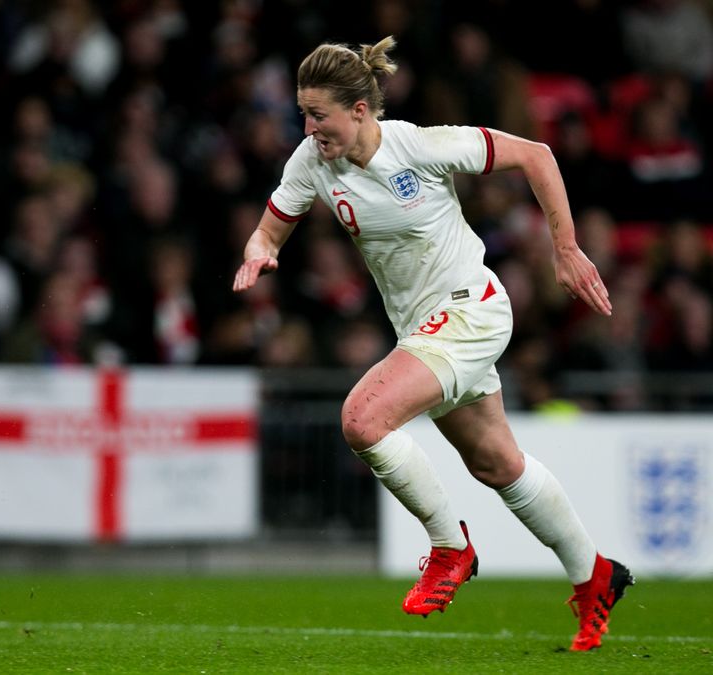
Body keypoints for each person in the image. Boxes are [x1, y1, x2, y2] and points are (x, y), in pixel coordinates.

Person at [232, 37, 633, 651]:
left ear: (361, 110)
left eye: (319, 115)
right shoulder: (311, 161)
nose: (309, 128)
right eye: (304, 114)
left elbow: (537, 154)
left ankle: (450, 547)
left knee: (362, 420)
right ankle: (595, 575)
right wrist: (259, 253)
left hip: (470, 310)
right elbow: (268, 231)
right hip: (423, 331)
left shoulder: (417, 145)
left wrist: (564, 247)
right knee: (497, 464)